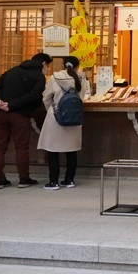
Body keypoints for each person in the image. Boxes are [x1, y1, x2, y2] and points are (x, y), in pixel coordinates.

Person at [0, 52, 52, 189]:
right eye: (47, 66)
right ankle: (24, 178)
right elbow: (34, 96)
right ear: (43, 64)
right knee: (22, 147)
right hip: (20, 115)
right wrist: (12, 105)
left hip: (2, 114)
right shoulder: (39, 76)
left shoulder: (11, 71)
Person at [38, 56, 87, 190]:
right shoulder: (80, 79)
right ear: (77, 66)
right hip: (74, 118)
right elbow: (81, 98)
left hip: (56, 117)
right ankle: (69, 180)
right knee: (71, 150)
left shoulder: (54, 78)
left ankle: (53, 181)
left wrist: (52, 110)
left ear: (64, 64)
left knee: (53, 150)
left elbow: (46, 97)